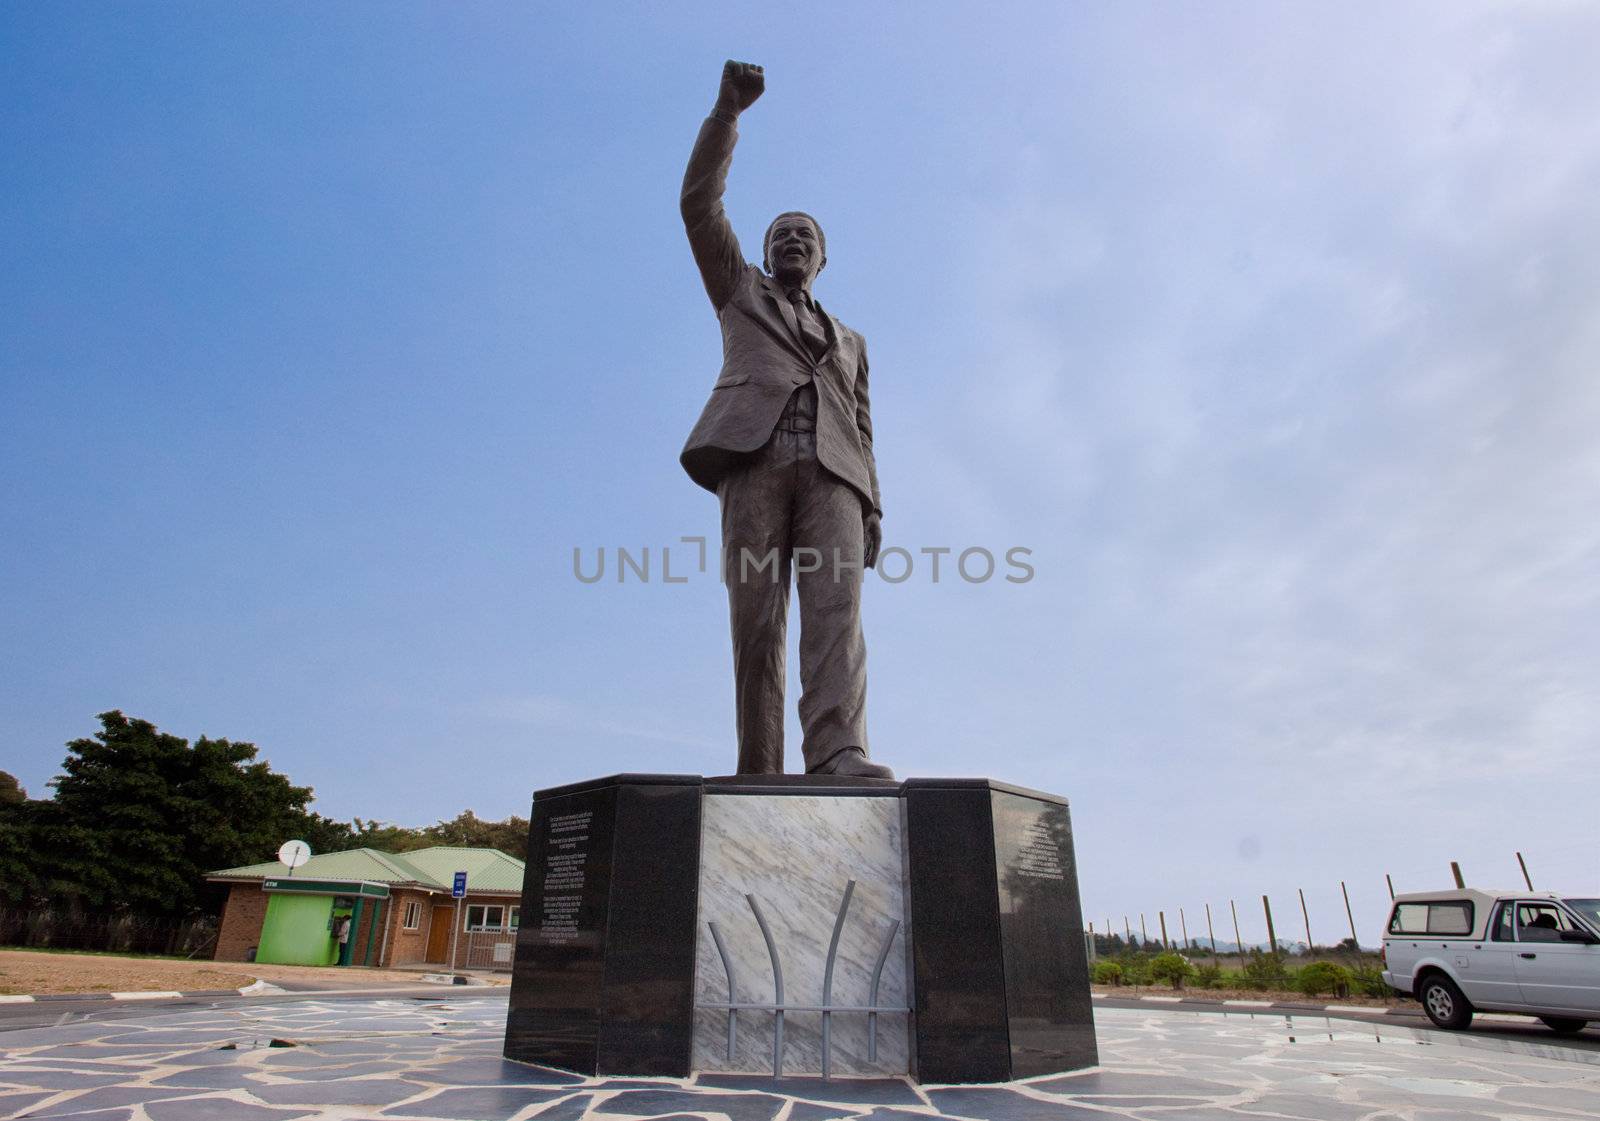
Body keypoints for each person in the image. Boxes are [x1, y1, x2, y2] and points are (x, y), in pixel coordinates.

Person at [679, 60, 892, 780]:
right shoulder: (739, 291)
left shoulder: (853, 341)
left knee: (837, 622)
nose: (793, 242)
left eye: (805, 235)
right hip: (754, 460)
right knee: (757, 624)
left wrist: (874, 506)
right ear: (765, 254)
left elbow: (863, 426)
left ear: (823, 256)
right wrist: (727, 115)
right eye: (781, 235)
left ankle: (838, 752)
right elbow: (698, 206)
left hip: (836, 476)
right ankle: (759, 766)